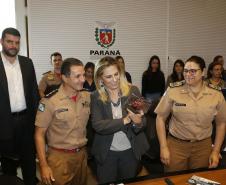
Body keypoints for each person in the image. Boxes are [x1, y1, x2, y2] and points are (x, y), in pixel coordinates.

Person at [155, 55, 226, 172]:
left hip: (203, 147)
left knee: (199, 179)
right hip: (176, 145)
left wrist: (216, 151)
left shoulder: (216, 94)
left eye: (193, 71)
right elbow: (160, 118)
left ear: (203, 72)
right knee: (174, 179)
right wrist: (163, 147)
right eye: (186, 71)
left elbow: (221, 124)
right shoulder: (173, 91)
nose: (188, 74)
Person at [91, 56, 149, 184]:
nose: (114, 79)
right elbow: (98, 125)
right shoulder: (95, 96)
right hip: (106, 153)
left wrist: (138, 122)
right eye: (108, 77)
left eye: (116, 74)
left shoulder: (132, 90)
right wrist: (125, 121)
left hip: (130, 151)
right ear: (100, 78)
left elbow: (143, 122)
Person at [35, 58, 90, 185]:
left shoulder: (87, 97)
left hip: (81, 156)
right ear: (64, 78)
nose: (83, 79)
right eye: (77, 76)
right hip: (59, 158)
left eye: (83, 75)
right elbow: (39, 134)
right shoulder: (49, 101)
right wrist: (43, 166)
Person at [0, 27, 40, 185]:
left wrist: (38, 122)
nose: (13, 46)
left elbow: (34, 94)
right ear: (2, 41)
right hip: (4, 124)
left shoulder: (27, 63)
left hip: (26, 122)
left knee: (29, 164)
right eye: (9, 42)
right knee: (8, 168)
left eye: (16, 43)